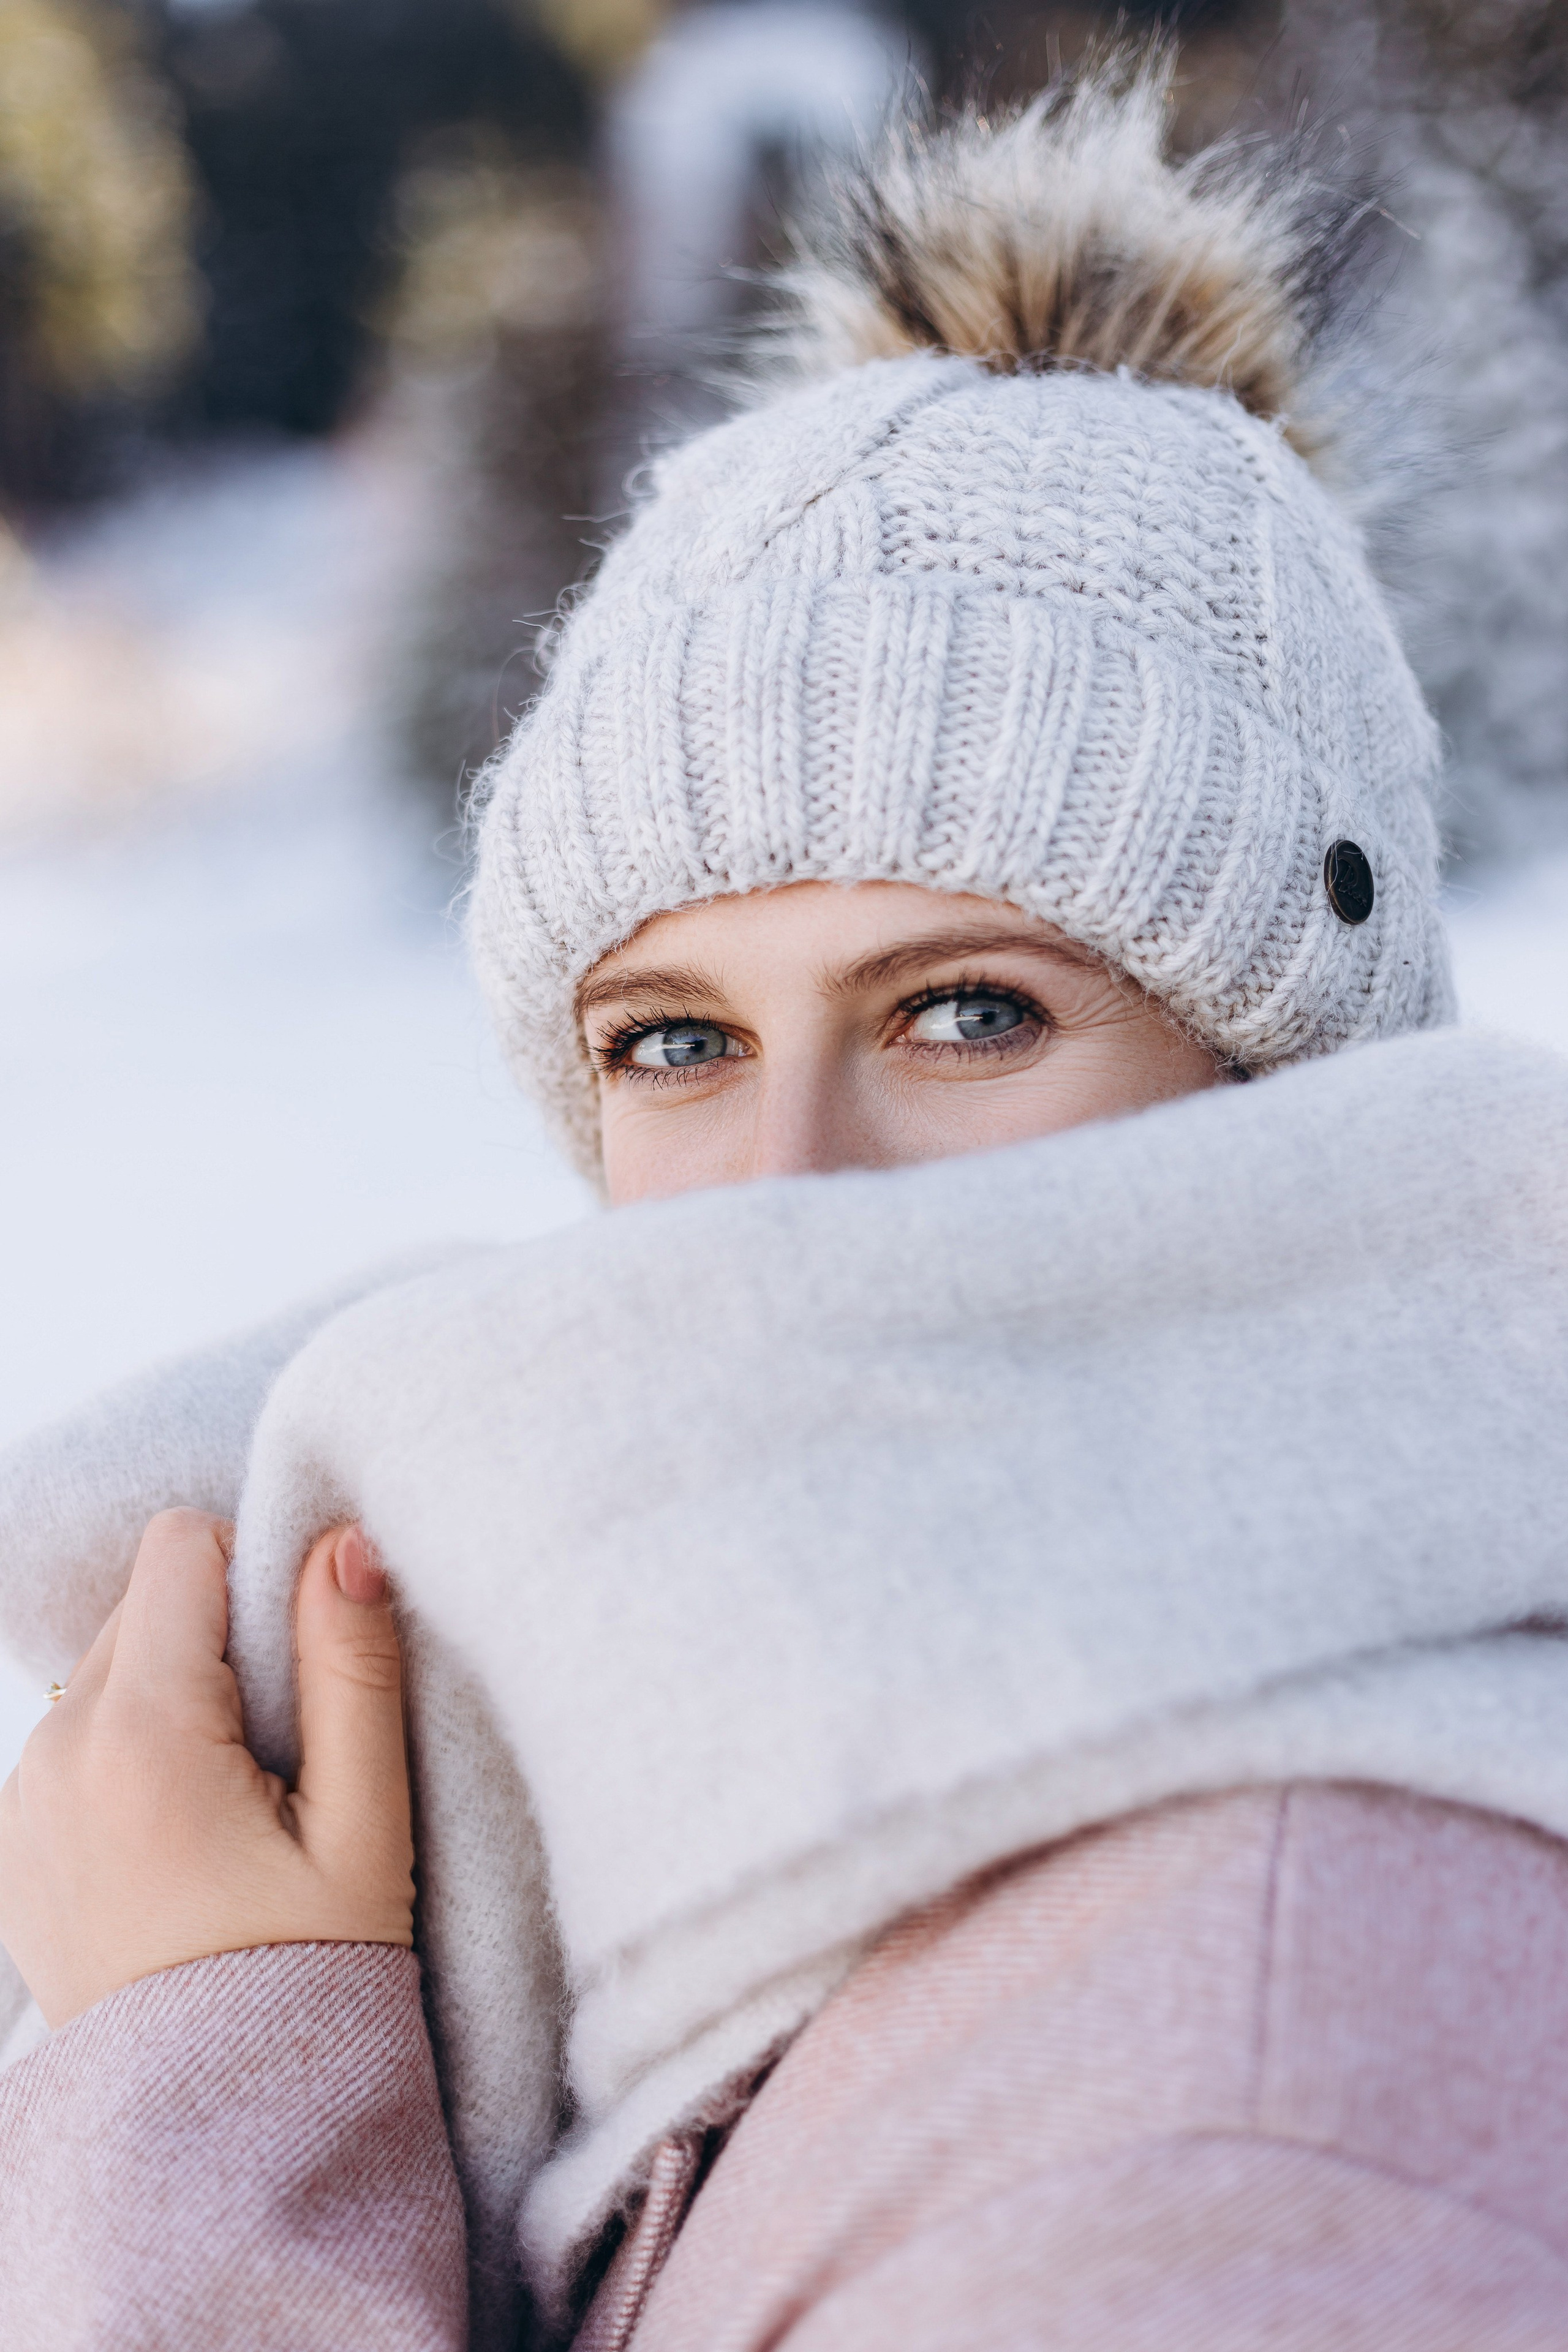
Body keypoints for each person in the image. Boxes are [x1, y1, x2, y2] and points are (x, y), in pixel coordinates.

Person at [6, 51, 1568, 2352]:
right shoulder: (674, 1826)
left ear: (1290, 1090)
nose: (783, 1196)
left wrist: (215, 2117)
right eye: (676, 1044)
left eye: (968, 1014)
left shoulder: (1264, 2104)